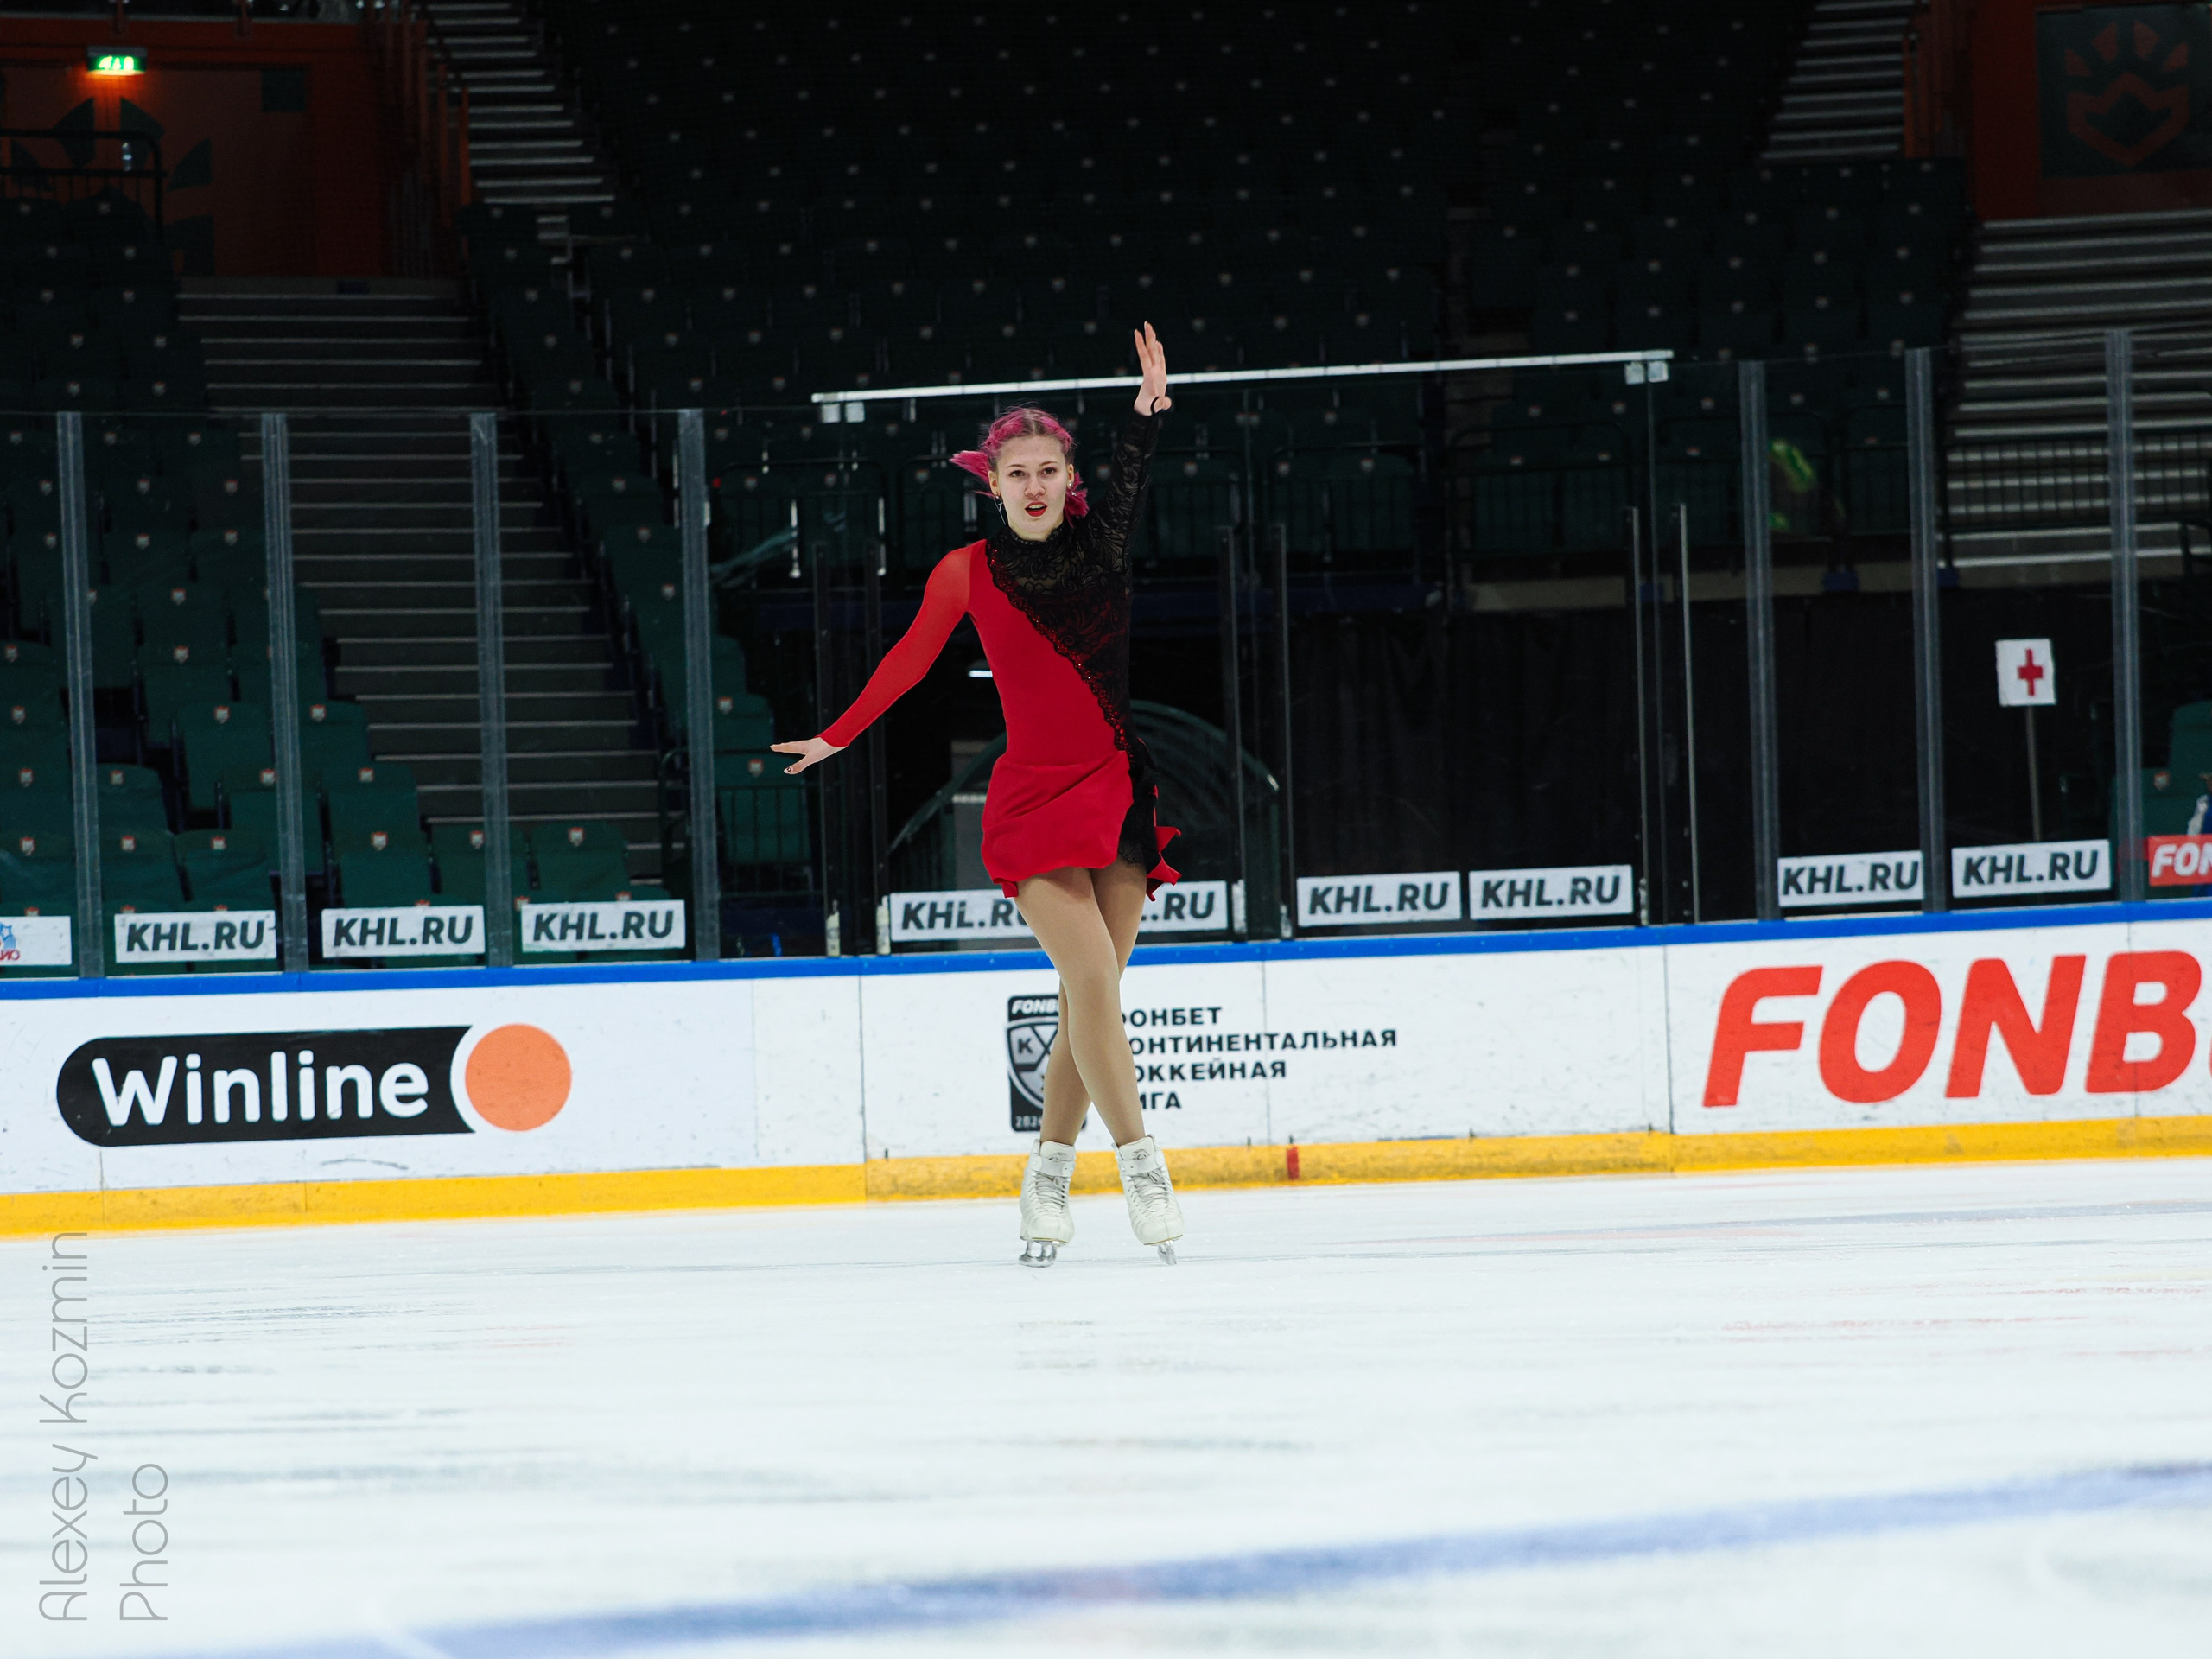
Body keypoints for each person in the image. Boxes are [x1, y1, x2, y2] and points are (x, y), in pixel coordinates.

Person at [772, 324, 1187, 1267]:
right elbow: (908, 665)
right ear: (991, 486)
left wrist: (1145, 414)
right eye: (1016, 474)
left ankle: (1045, 1177)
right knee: (1090, 985)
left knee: (1096, 997)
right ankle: (1141, 1167)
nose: (1033, 485)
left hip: (1118, 788)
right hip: (1033, 803)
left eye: (1047, 470)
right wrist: (838, 734)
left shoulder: (1100, 544)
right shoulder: (965, 572)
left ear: (1066, 479)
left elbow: (1134, 472)